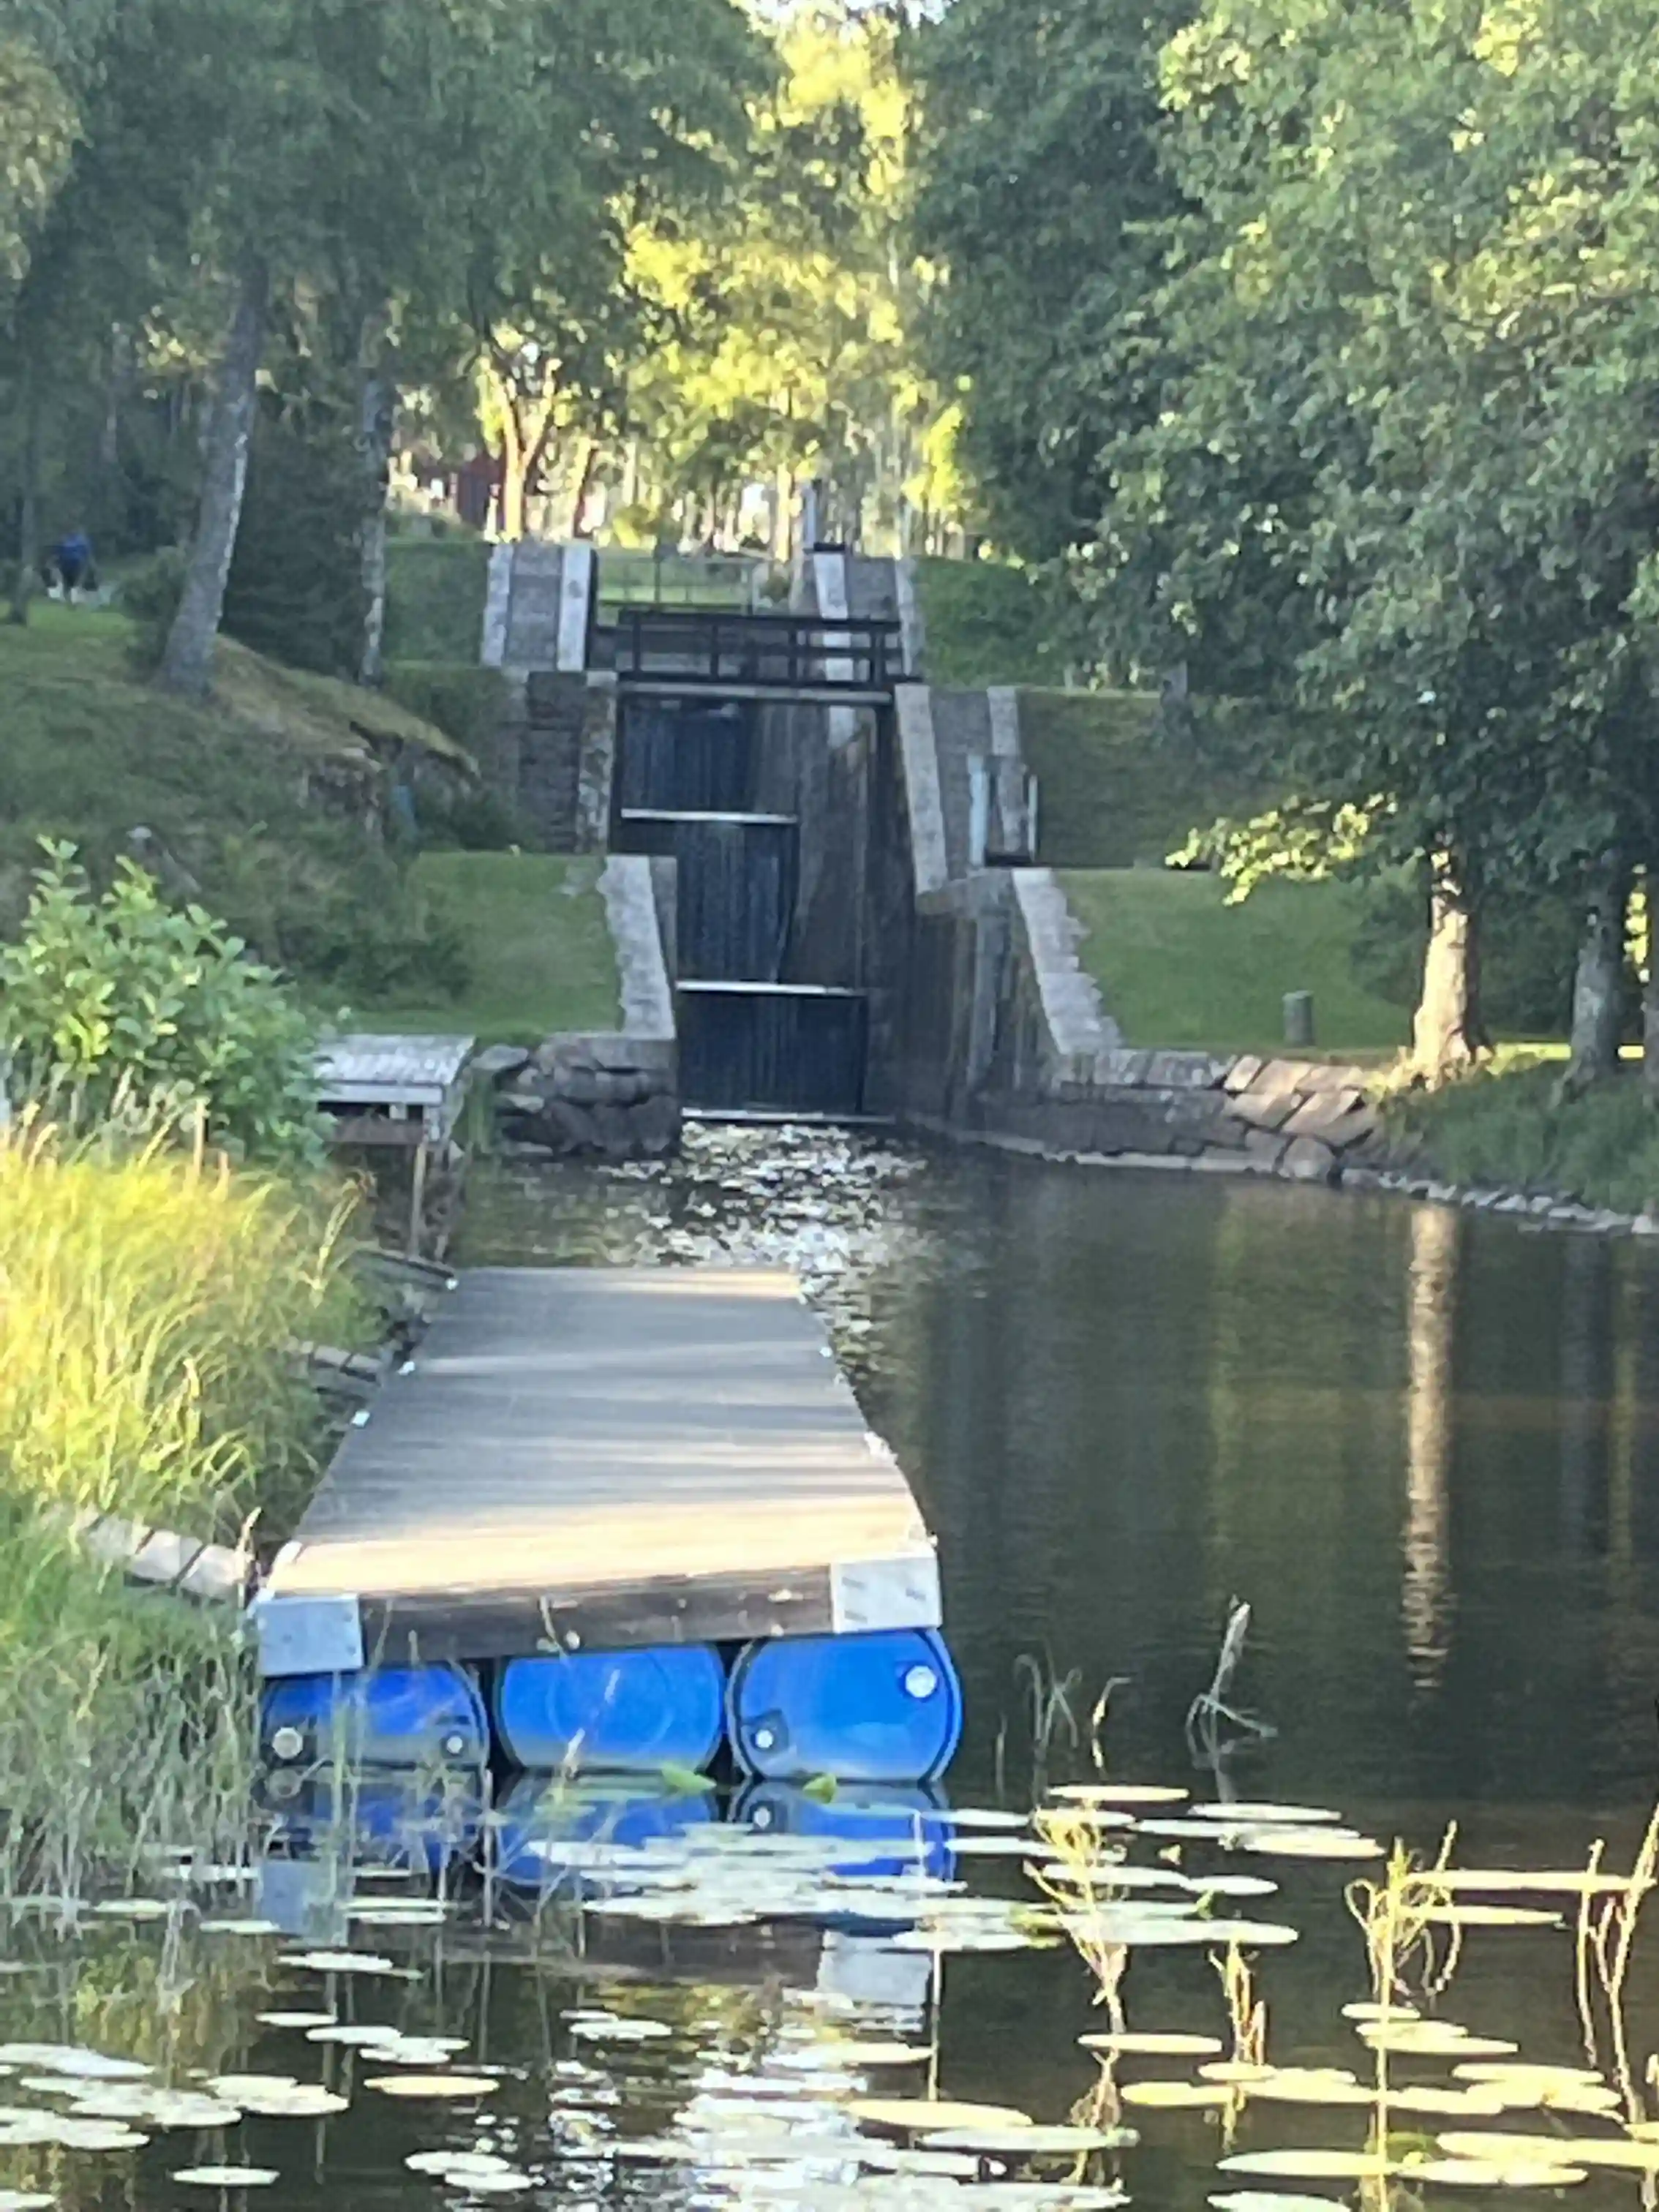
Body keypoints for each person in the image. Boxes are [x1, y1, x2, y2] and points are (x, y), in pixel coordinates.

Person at [52, 529, 96, 603]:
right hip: (75, 564)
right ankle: (72, 594)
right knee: (76, 580)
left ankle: (68, 595)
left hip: (68, 563)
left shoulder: (65, 540)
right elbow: (88, 556)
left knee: (69, 581)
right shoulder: (82, 541)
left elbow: (57, 554)